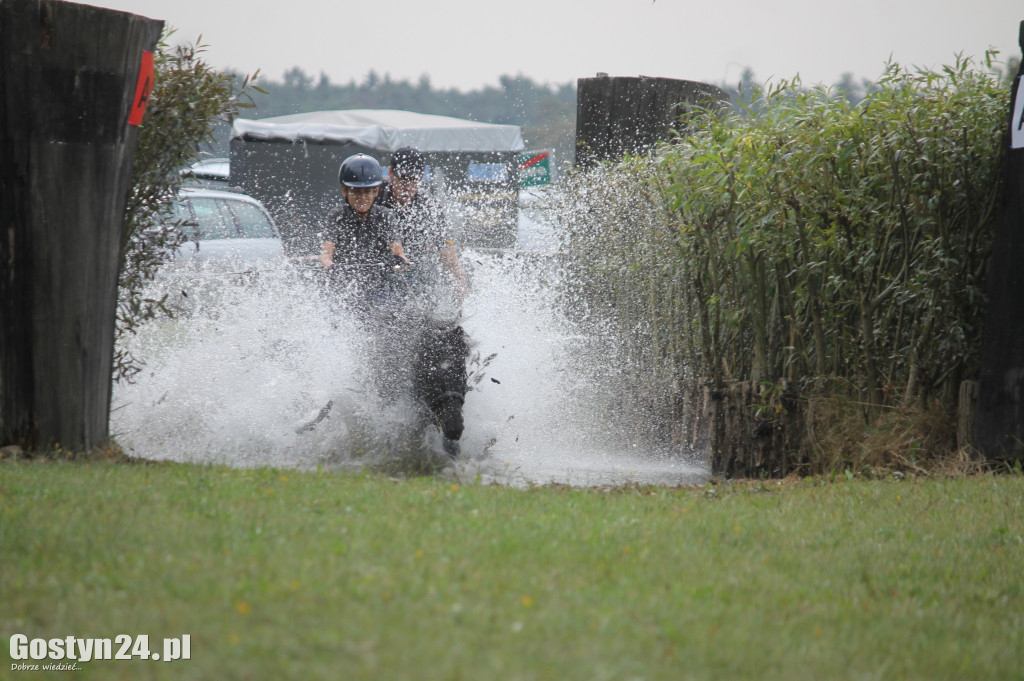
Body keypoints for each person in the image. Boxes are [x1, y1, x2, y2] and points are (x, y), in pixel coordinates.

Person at [377, 147, 468, 302]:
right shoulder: (375, 195)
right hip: (380, 270)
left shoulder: (429, 207)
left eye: (413, 180)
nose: (407, 186)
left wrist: (463, 297)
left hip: (415, 274)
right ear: (391, 173)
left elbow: (450, 258)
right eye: (403, 179)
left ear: (422, 177)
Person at [318, 153, 406, 312]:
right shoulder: (336, 216)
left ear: (376, 191)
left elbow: (399, 252)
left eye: (367, 192)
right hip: (345, 290)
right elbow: (325, 254)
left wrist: (399, 260)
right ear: (344, 191)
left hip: (380, 291)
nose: (362, 197)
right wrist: (330, 267)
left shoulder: (385, 215)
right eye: (356, 192)